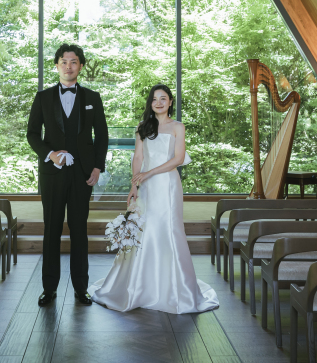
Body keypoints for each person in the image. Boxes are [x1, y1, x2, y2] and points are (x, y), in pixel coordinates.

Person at [88, 84, 219, 313]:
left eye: (163, 98)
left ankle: (173, 288)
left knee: (168, 229)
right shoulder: (142, 127)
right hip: (145, 187)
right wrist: (134, 184)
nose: (158, 102)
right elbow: (138, 157)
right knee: (143, 229)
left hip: (167, 186)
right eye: (154, 99)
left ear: (170, 102)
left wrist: (148, 173)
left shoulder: (178, 127)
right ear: (150, 103)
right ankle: (139, 287)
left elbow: (178, 159)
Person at [27, 44, 108, 307]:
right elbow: (32, 135)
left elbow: (102, 136)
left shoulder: (93, 98)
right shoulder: (43, 98)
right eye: (64, 62)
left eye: (74, 62)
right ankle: (48, 289)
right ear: (57, 65)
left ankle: (81, 288)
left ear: (81, 66)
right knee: (51, 229)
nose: (69, 66)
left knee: (79, 231)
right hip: (52, 174)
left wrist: (97, 167)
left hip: (83, 175)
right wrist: (49, 153)